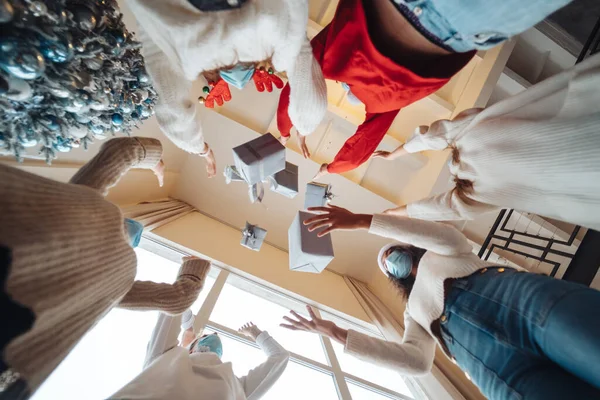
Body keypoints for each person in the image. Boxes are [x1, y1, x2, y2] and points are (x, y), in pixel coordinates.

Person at [281, 205, 600, 399]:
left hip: (514, 300)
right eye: (386, 264)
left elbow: (440, 234)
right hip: (488, 366)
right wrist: (336, 333)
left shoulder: (444, 250)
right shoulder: (412, 311)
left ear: (408, 248)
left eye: (392, 251)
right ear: (394, 277)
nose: (389, 258)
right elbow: (416, 361)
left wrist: (364, 222)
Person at [0, 137, 211, 398]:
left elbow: (179, 301)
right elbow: (121, 151)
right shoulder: (85, 204)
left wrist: (196, 266)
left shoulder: (85, 203)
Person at [276, 0, 574, 178]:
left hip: (460, 29)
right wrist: (289, 128)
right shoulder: (331, 58)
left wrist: (330, 168)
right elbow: (298, 82)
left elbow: (360, 150)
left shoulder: (383, 105)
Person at [373, 53, 600, 231]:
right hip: (575, 117)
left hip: (583, 178)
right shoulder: (467, 134)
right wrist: (395, 154)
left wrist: (396, 212)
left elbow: (444, 208)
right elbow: (434, 137)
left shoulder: (476, 194)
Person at [125, 0, 327, 178]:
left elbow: (305, 78)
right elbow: (170, 107)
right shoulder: (184, 54)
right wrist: (200, 149)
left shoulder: (276, 34)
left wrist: (303, 128)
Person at [110, 309, 289, 399]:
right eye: (205, 335)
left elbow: (176, 305)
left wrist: (188, 326)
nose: (215, 335)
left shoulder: (161, 360)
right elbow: (279, 358)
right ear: (191, 345)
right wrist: (256, 334)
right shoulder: (239, 389)